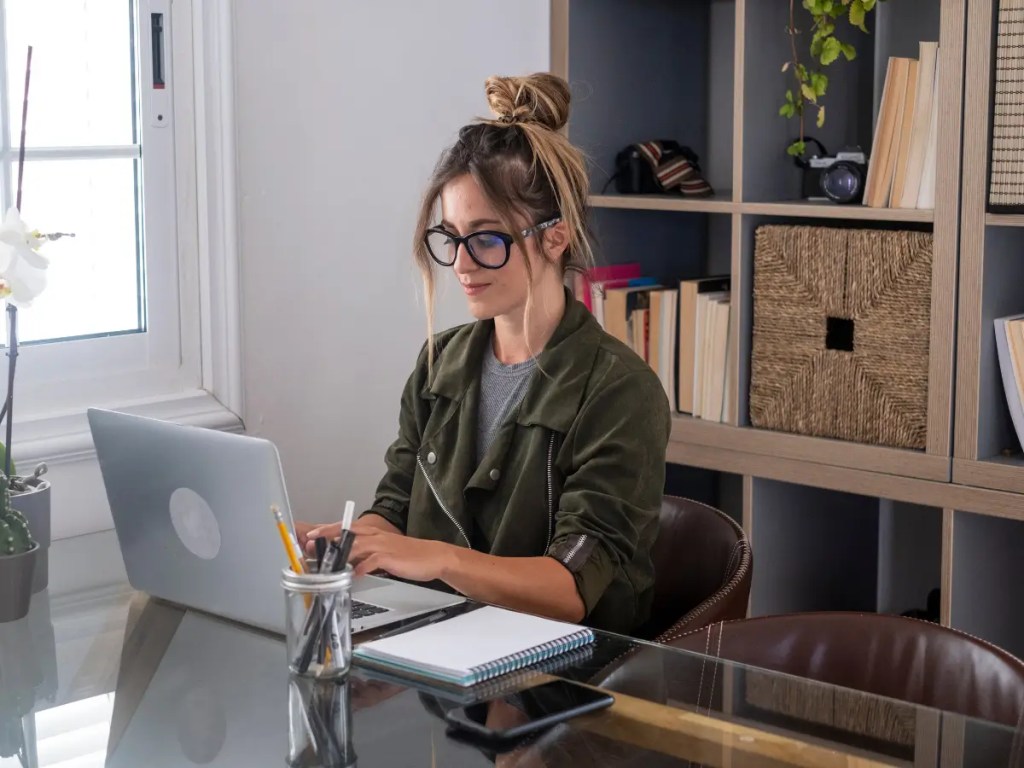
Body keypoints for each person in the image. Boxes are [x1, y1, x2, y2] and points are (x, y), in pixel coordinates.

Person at [298, 73, 670, 635]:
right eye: (451, 238)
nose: (463, 266)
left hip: (565, 684)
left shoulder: (620, 391)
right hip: (442, 656)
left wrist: (442, 559)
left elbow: (572, 589)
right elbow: (396, 505)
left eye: (487, 239)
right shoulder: (437, 365)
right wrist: (354, 545)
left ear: (554, 237)